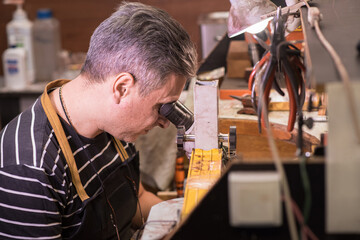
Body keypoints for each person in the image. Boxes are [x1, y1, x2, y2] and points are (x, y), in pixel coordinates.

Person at [0, 2, 197, 239]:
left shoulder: (113, 124)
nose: (164, 122)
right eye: (160, 107)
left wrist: (190, 220)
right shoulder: (31, 167)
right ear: (122, 88)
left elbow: (138, 201)